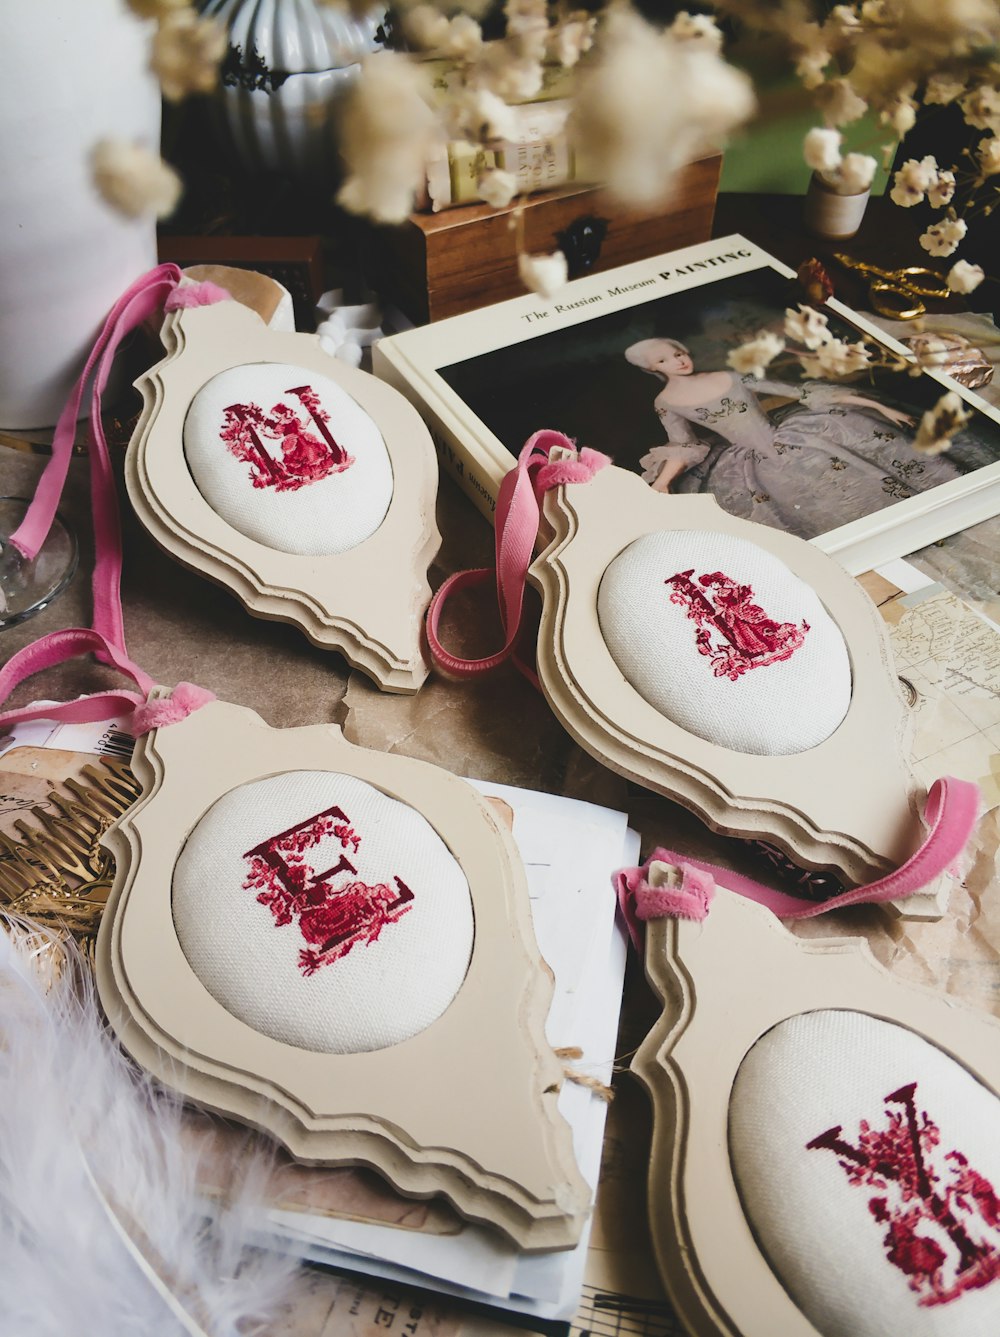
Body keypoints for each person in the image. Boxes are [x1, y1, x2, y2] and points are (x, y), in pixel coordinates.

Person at [623, 337, 962, 540]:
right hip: (751, 465)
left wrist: (876, 406)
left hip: (798, 438)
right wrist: (662, 483)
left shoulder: (728, 375)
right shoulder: (666, 402)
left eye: (678, 353)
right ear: (654, 368)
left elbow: (798, 392)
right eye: (664, 360)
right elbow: (685, 446)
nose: (678, 361)